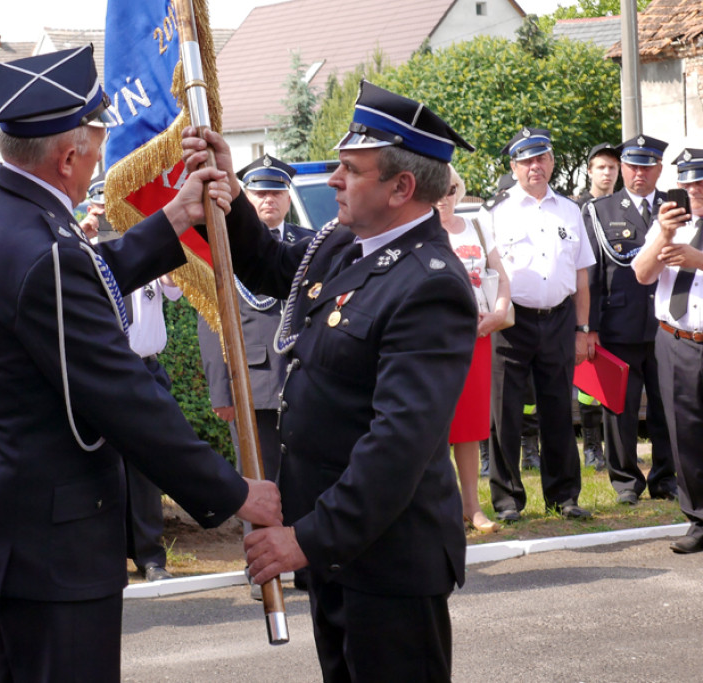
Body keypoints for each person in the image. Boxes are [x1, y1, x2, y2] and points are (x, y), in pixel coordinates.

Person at [0, 45, 281, 682]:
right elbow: (125, 397)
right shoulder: (41, 246)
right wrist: (234, 491)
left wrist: (173, 219)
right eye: (96, 143)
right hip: (54, 540)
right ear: (68, 157)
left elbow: (80, 278)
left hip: (11, 523)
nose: (101, 157)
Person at [186, 80, 478, 681]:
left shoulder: (431, 285)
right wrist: (229, 190)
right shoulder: (347, 242)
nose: (336, 181)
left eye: (351, 169)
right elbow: (270, 266)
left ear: (401, 187)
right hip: (337, 552)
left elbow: (397, 445)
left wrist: (309, 538)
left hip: (389, 562)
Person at [481, 127, 595, 523]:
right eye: (526, 160)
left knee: (559, 410)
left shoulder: (569, 210)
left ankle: (564, 496)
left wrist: (582, 329)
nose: (535, 166)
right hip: (512, 322)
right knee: (505, 412)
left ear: (551, 162)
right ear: (513, 167)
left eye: (541, 158)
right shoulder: (495, 212)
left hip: (560, 318)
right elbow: (485, 275)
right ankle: (507, 499)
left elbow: (581, 275)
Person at [79, 180, 183, 583]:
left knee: (145, 466)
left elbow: (174, 288)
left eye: (113, 209)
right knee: (99, 466)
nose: (107, 216)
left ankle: (150, 556)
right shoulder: (80, 248)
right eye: (100, 208)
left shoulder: (140, 249)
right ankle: (104, 556)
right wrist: (84, 236)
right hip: (101, 371)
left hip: (144, 367)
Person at [197, 154, 313, 486]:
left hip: (304, 379)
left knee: (304, 478)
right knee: (257, 479)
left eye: (276, 192)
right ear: (245, 198)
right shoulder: (225, 245)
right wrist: (221, 390)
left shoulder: (311, 241)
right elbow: (211, 319)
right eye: (260, 193)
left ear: (289, 197)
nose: (268, 199)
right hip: (253, 384)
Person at [583, 135, 676, 505]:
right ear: (622, 168)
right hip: (618, 324)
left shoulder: (674, 207)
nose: (639, 173)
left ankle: (665, 478)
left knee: (666, 406)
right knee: (618, 408)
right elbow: (589, 273)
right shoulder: (600, 210)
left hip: (667, 326)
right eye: (633, 165)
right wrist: (588, 327)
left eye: (647, 165)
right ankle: (625, 482)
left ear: (659, 169)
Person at [632, 147, 703, 553]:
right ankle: (698, 520)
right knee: (686, 435)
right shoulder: (668, 224)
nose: (694, 189)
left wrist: (698, 259)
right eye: (688, 181)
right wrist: (664, 234)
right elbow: (642, 274)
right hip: (677, 341)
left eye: (701, 180)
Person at [437, 164, 510, 534]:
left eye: (450, 189)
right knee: (435, 425)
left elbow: (499, 274)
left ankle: (472, 507)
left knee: (468, 427)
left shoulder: (476, 226)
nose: (444, 198)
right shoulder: (418, 233)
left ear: (459, 190)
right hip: (433, 341)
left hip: (477, 338)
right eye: (437, 190)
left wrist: (499, 312)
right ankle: (441, 508)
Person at [575, 142, 621, 469]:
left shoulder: (624, 207)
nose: (607, 173)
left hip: (621, 311)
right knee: (590, 386)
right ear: (589, 170)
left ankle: (615, 447)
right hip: (590, 310)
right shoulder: (578, 209)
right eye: (601, 167)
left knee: (618, 384)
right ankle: (592, 447)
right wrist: (586, 324)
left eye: (612, 168)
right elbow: (585, 271)